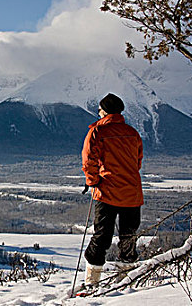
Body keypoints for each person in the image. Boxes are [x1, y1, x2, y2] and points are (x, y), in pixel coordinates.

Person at [81, 93, 143, 286]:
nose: (98, 112)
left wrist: (92, 182)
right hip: (132, 193)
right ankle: (126, 282)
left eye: (99, 109)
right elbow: (137, 161)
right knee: (128, 237)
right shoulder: (132, 133)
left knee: (101, 237)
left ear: (105, 110)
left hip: (106, 192)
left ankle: (92, 282)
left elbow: (88, 160)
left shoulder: (98, 131)